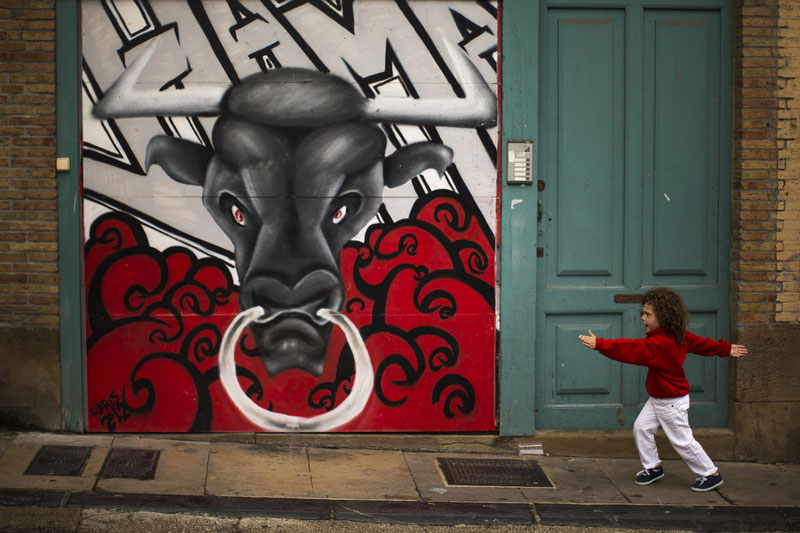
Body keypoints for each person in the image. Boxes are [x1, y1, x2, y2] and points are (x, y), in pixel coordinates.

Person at [578, 287, 748, 492]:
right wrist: (725, 349)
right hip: (659, 398)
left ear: (664, 318)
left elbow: (630, 349)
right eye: (643, 313)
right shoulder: (676, 336)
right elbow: (701, 344)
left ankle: (710, 473)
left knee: (682, 440)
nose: (643, 318)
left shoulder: (660, 344)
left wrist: (600, 344)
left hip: (671, 402)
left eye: (648, 314)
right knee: (641, 428)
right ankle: (652, 468)